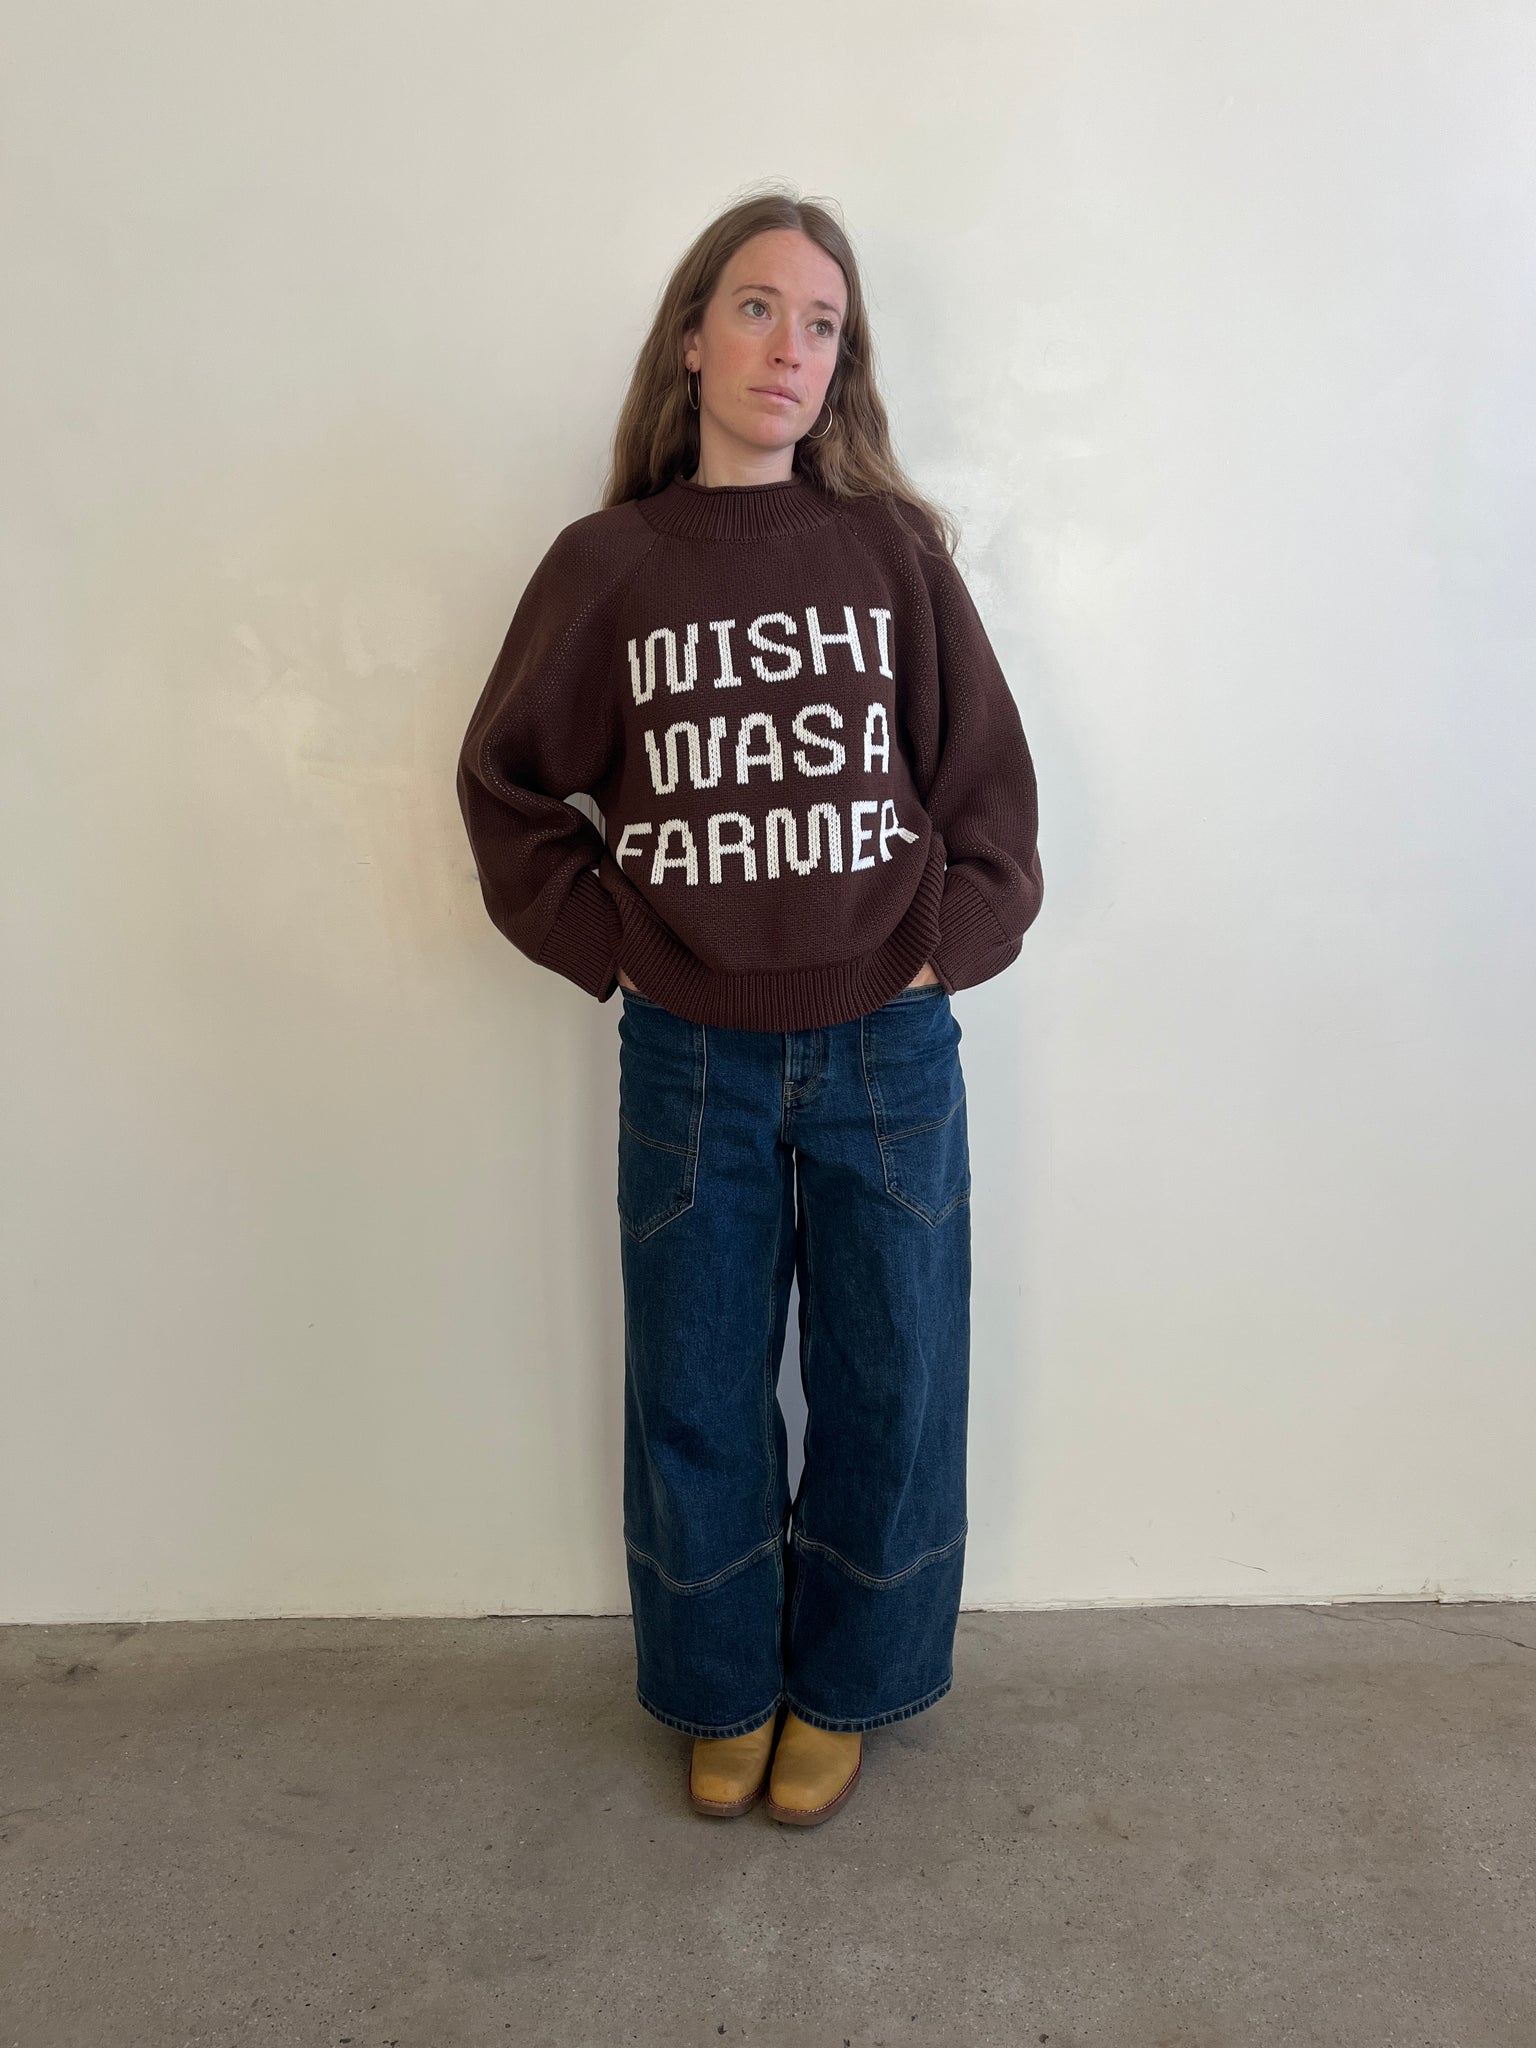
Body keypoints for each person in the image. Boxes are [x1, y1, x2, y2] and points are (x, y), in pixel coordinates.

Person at [455, 188, 1043, 1828]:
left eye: (825, 325)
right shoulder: (610, 568)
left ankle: (851, 1684)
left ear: (844, 367)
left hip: (886, 1050)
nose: (792, 347)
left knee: (892, 1384)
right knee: (697, 1389)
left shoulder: (891, 557)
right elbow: (506, 788)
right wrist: (616, 943)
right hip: (690, 1057)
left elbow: (989, 796)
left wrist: (941, 947)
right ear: (694, 340)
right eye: (761, 308)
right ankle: (720, 1686)